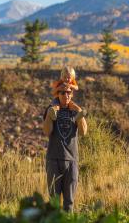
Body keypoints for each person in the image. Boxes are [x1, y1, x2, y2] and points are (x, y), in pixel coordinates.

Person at [43, 83, 87, 212]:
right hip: (54, 159)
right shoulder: (51, 109)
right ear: (58, 94)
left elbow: (83, 132)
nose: (66, 95)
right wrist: (50, 114)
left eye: (69, 92)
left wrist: (79, 112)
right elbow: (46, 131)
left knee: (69, 202)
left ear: (72, 94)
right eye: (62, 92)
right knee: (54, 202)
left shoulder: (75, 111)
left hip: (72, 160)